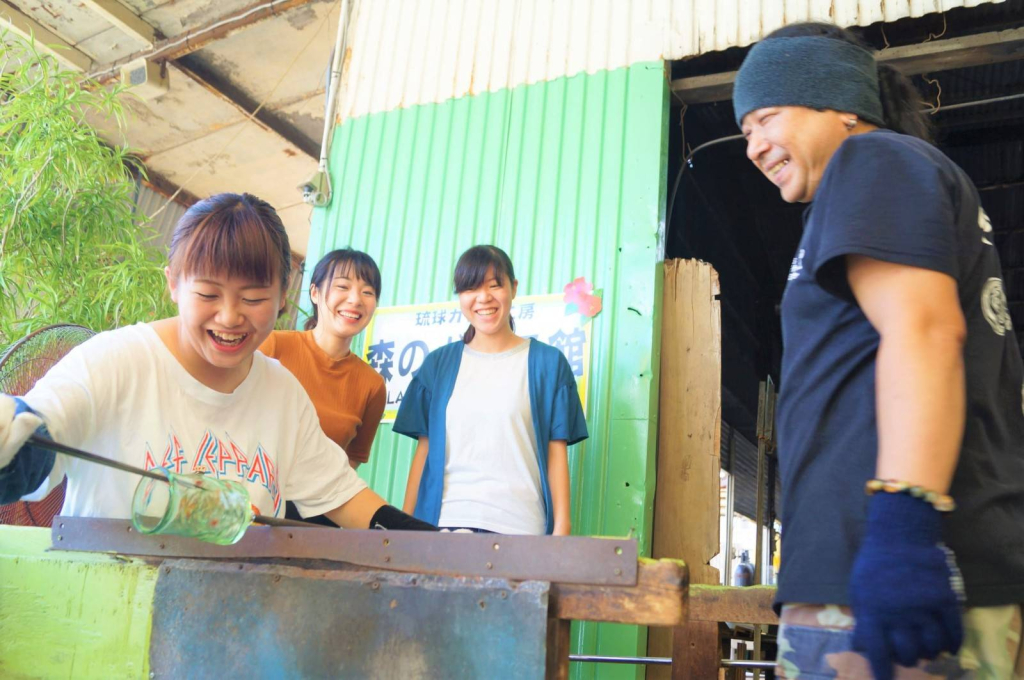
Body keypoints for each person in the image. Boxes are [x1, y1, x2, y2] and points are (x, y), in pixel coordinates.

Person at [733, 22, 1024, 678]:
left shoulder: (873, 161)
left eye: (767, 118)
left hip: (888, 579)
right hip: (883, 570)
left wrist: (902, 526)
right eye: (745, 130)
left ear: (840, 104)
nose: (753, 146)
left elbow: (923, 331)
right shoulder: (887, 179)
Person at [0, 193, 432, 533]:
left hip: (228, 612)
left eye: (254, 298)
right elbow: (37, 436)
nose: (229, 317)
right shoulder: (114, 361)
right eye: (208, 294)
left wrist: (436, 542)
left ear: (283, 298)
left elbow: (344, 497)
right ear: (173, 283)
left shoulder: (282, 393)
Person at [394, 245, 587, 535]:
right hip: (445, 526)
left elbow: (555, 451)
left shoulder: (548, 363)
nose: (483, 297)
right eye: (471, 288)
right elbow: (424, 450)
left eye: (494, 285)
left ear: (514, 288)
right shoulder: (438, 365)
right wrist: (404, 528)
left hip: (520, 529)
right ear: (460, 296)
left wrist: (561, 529)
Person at [260, 249, 386, 526]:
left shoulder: (372, 385)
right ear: (315, 293)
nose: (355, 299)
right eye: (342, 286)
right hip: (254, 503)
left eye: (367, 292)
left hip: (316, 520)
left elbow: (350, 461)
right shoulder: (273, 347)